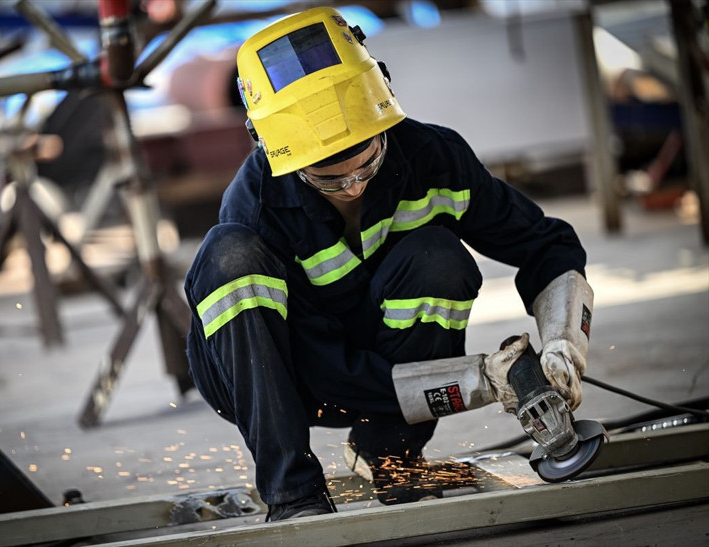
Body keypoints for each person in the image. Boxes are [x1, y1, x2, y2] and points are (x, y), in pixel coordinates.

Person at [184, 6, 594, 521]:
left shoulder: (432, 156)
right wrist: (479, 380)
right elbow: (323, 368)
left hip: (376, 362)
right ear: (279, 152)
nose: (354, 187)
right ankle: (293, 497)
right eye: (330, 179)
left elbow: (546, 245)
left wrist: (564, 343)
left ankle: (389, 456)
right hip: (280, 377)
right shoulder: (256, 209)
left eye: (368, 164)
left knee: (439, 258)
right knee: (228, 254)